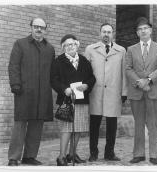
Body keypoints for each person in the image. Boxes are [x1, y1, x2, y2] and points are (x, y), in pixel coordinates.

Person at [7, 18, 55, 166]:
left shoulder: (50, 49)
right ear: (31, 28)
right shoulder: (20, 44)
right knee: (20, 124)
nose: (39, 29)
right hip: (24, 91)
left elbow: (53, 72)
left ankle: (29, 156)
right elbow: (13, 66)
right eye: (36, 26)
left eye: (42, 27)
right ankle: (14, 157)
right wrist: (15, 84)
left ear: (46, 29)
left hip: (43, 93)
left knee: (37, 125)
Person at [126, 17, 157, 165]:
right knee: (138, 123)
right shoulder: (130, 49)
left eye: (145, 28)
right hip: (136, 91)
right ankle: (138, 154)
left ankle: (155, 155)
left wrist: (148, 80)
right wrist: (140, 82)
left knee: (153, 123)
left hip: (154, 90)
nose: (143, 31)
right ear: (137, 33)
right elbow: (128, 68)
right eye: (140, 29)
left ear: (150, 30)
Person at [50, 34, 96, 166]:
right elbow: (53, 80)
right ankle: (61, 157)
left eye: (72, 44)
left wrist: (87, 85)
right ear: (63, 48)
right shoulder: (58, 61)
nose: (70, 47)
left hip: (82, 100)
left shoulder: (84, 60)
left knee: (78, 128)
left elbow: (92, 78)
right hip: (66, 100)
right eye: (66, 45)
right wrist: (64, 89)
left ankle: (72, 154)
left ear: (77, 45)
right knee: (66, 129)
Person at [84, 23, 127, 162]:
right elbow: (85, 72)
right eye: (104, 32)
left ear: (113, 34)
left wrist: (124, 92)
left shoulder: (121, 51)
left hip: (114, 92)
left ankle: (109, 153)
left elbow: (124, 73)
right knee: (94, 125)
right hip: (95, 92)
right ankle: (93, 153)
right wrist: (85, 90)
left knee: (111, 126)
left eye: (109, 32)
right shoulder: (90, 49)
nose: (106, 34)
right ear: (99, 33)